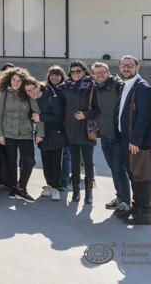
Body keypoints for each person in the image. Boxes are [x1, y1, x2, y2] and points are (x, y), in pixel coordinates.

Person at [116, 55, 151, 226]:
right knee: (134, 176)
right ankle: (137, 207)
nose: (126, 69)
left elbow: (145, 116)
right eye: (123, 66)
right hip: (127, 140)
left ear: (137, 68)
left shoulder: (143, 88)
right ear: (119, 68)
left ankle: (145, 213)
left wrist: (136, 140)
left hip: (136, 142)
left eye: (130, 66)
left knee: (141, 177)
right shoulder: (125, 85)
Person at [0, 67, 44, 203]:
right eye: (13, 80)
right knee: (11, 162)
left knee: (29, 161)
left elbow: (37, 113)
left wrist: (40, 133)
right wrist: (0, 134)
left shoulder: (27, 94)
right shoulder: (4, 93)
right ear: (9, 80)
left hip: (25, 133)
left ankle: (22, 188)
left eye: (19, 81)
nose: (15, 83)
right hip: (8, 132)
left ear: (23, 82)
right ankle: (14, 188)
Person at [55, 60, 99, 204]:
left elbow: (98, 109)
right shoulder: (65, 87)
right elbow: (60, 105)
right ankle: (75, 192)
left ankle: (89, 193)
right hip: (71, 127)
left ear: (85, 72)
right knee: (74, 160)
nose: (75, 74)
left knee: (88, 161)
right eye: (73, 71)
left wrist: (85, 115)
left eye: (78, 71)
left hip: (87, 128)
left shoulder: (93, 86)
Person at [91, 62, 130, 214]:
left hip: (118, 136)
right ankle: (119, 198)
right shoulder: (97, 88)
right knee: (113, 168)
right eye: (96, 73)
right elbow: (96, 110)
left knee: (120, 169)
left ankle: (126, 202)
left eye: (102, 72)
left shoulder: (118, 86)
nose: (99, 75)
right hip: (105, 135)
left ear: (108, 72)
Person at [25, 79, 66, 202]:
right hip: (42, 135)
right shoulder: (33, 101)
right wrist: (34, 118)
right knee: (46, 163)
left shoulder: (52, 97)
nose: (31, 92)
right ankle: (49, 185)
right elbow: (31, 115)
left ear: (38, 86)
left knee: (55, 163)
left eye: (32, 89)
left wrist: (41, 117)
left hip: (56, 134)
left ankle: (55, 188)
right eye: (27, 91)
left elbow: (59, 117)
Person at [46, 65, 70, 191]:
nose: (54, 77)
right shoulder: (46, 90)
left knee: (65, 156)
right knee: (52, 157)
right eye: (51, 75)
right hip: (51, 127)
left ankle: (64, 182)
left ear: (62, 77)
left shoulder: (65, 90)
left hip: (64, 127)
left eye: (57, 75)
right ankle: (52, 182)